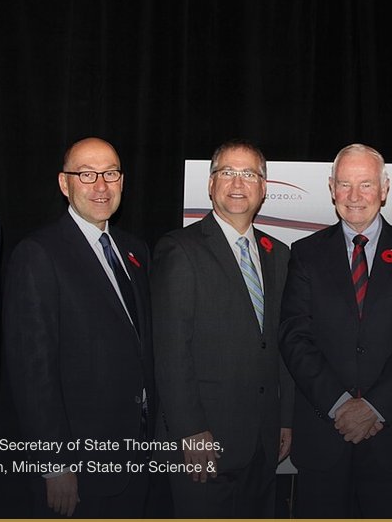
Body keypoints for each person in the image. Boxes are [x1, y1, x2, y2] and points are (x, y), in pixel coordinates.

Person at [279, 144, 392, 517]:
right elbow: (294, 335)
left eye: (365, 184)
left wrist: (374, 407)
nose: (354, 196)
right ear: (331, 188)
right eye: (345, 184)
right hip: (324, 435)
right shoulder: (305, 253)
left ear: (384, 189)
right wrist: (340, 405)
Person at [3, 137, 156, 517]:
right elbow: (32, 372)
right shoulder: (39, 253)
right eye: (86, 175)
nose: (101, 186)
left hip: (136, 456)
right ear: (64, 183)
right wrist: (54, 463)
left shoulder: (134, 250)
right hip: (80, 467)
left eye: (110, 173)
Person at [150, 139, 292, 517]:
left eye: (249, 174)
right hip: (203, 442)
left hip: (263, 442)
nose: (238, 183)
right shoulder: (180, 249)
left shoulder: (279, 253)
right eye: (227, 172)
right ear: (211, 184)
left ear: (264, 187)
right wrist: (190, 430)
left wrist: (285, 420)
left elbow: (280, 345)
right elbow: (171, 350)